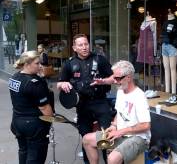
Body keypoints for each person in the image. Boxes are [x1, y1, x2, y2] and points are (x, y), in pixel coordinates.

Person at [57, 34, 115, 163]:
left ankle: (109, 161)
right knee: (86, 138)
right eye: (80, 45)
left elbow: (114, 78)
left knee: (107, 136)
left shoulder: (100, 59)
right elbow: (59, 84)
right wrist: (63, 84)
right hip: (82, 106)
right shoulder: (69, 64)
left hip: (101, 102)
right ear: (74, 48)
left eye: (86, 44)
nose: (84, 47)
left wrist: (103, 81)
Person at [82, 60, 151, 164]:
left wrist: (120, 131)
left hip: (139, 138)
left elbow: (146, 125)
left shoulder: (139, 96)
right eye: (114, 78)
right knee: (87, 140)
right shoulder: (120, 91)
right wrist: (114, 125)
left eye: (117, 78)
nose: (114, 81)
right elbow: (119, 114)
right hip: (121, 134)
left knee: (112, 159)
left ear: (128, 77)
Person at [8, 50, 54, 164]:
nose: (40, 66)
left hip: (17, 121)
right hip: (34, 126)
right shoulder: (35, 83)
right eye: (37, 63)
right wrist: (51, 120)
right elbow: (45, 109)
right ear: (27, 64)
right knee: (35, 156)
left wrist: (41, 77)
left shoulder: (15, 77)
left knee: (23, 151)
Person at [160, 9, 177, 102]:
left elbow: (176, 35)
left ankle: (173, 92)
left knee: (172, 69)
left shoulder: (176, 22)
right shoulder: (165, 22)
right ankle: (167, 91)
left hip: (172, 46)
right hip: (164, 45)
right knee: (166, 69)